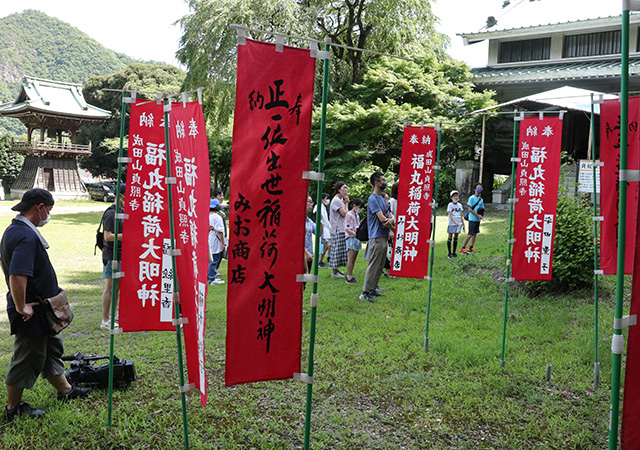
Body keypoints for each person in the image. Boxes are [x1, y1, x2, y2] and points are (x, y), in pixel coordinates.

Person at [1, 188, 91, 420]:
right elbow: (17, 275)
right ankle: (13, 409)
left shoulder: (13, 229)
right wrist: (22, 306)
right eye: (49, 210)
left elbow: (5, 263)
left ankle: (65, 390)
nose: (49, 215)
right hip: (31, 311)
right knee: (27, 357)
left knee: (52, 350)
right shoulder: (26, 236)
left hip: (43, 309)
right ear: (39, 207)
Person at [360, 173, 395, 303]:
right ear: (377, 183)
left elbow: (390, 217)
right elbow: (384, 220)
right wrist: (394, 229)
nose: (385, 182)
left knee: (380, 265)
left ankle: (373, 289)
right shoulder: (373, 199)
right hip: (376, 237)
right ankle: (364, 292)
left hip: (384, 236)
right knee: (374, 264)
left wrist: (391, 222)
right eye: (383, 180)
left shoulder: (382, 199)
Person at [100, 183, 125, 329]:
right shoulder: (111, 213)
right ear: (121, 196)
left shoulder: (123, 211)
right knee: (110, 288)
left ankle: (114, 315)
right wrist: (126, 236)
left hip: (122, 255)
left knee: (117, 288)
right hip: (111, 256)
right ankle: (105, 320)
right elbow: (108, 236)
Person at [328, 182, 349, 278]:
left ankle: (336, 270)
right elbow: (345, 214)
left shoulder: (339, 200)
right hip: (337, 228)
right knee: (336, 250)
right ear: (338, 189)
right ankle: (334, 272)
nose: (346, 190)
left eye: (346, 188)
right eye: (344, 188)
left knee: (339, 250)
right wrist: (347, 204)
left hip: (339, 227)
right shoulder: (336, 200)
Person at [461, 183, 485, 254]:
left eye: (480, 188)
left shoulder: (481, 199)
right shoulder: (471, 198)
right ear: (475, 189)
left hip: (477, 219)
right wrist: (477, 215)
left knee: (475, 234)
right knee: (470, 234)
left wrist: (481, 215)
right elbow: (470, 209)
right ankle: (463, 248)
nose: (479, 189)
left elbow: (482, 208)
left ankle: (471, 248)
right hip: (472, 219)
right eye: (478, 188)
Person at [344, 198, 364, 284]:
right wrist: (356, 234)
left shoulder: (356, 215)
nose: (360, 209)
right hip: (351, 238)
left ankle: (350, 275)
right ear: (354, 206)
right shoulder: (349, 215)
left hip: (356, 238)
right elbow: (347, 228)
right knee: (351, 259)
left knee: (354, 259)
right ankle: (349, 277)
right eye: (359, 207)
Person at [208, 199, 226, 285]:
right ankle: (212, 278)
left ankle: (211, 276)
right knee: (214, 260)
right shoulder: (217, 217)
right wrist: (223, 243)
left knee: (210, 259)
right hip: (215, 241)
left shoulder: (206, 216)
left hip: (208, 240)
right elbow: (220, 232)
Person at [314, 193, 331, 268]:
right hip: (322, 228)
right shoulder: (318, 206)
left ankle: (320, 260)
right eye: (326, 198)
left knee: (326, 245)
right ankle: (319, 261)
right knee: (325, 245)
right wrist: (322, 225)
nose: (327, 200)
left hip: (325, 228)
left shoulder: (323, 207)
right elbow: (319, 215)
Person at [446, 190, 464, 259]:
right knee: (450, 236)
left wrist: (462, 223)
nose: (456, 197)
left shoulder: (460, 205)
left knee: (456, 237)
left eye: (457, 196)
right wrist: (455, 222)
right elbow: (451, 215)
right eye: (455, 196)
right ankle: (449, 253)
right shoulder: (450, 205)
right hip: (452, 223)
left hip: (458, 223)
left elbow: (461, 214)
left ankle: (454, 252)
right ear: (451, 197)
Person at [304, 196, 315, 275]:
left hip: (309, 257)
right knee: (298, 283)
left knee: (304, 283)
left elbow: (319, 233)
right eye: (309, 202)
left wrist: (321, 219)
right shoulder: (296, 220)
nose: (312, 204)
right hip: (300, 256)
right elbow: (295, 240)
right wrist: (306, 253)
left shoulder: (309, 221)